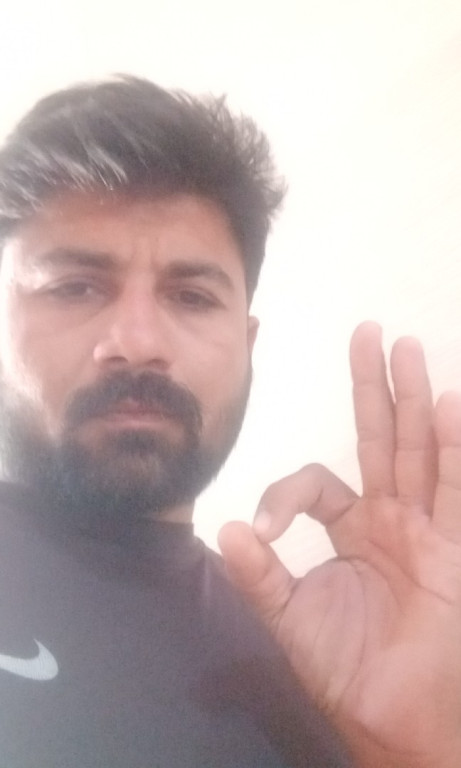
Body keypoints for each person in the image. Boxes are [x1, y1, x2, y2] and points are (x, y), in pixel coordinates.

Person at [0, 75, 459, 768]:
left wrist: (412, 749)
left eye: (191, 297)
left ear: (246, 346)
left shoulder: (311, 649)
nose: (139, 341)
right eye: (75, 286)